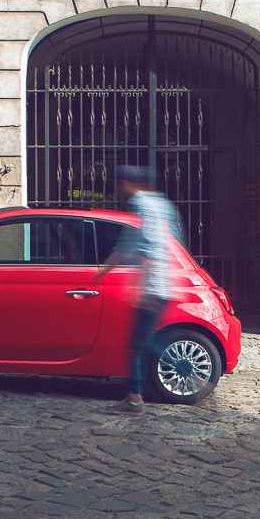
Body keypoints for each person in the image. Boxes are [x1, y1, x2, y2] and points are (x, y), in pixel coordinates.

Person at [91, 164, 182, 413]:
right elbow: (135, 244)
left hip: (153, 285)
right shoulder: (162, 204)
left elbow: (145, 246)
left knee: (138, 345)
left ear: (126, 183)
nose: (117, 188)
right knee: (143, 342)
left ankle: (136, 397)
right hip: (164, 283)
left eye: (118, 183)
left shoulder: (142, 204)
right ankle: (138, 393)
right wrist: (103, 271)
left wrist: (142, 287)